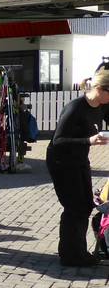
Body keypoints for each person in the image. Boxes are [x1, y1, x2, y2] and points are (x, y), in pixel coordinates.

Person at [46, 69, 109, 266]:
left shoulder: (101, 106)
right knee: (74, 207)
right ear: (100, 89)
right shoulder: (75, 108)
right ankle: (70, 255)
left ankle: (78, 251)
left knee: (86, 205)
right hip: (61, 161)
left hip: (80, 159)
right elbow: (58, 141)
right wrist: (89, 140)